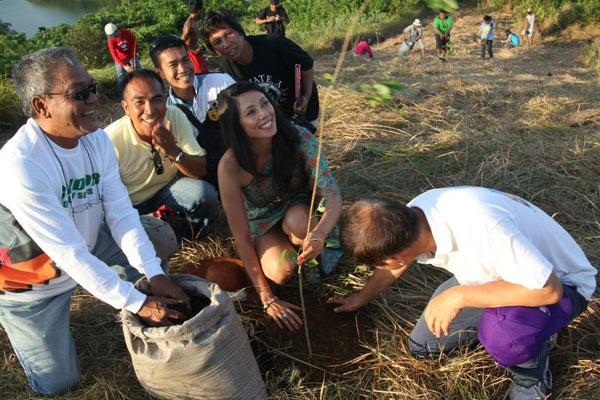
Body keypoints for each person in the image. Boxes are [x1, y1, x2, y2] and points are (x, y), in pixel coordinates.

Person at [0, 48, 190, 395]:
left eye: (93, 88)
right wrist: (139, 303)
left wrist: (154, 272)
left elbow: (119, 213)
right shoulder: (21, 165)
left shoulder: (96, 139)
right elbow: (69, 255)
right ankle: (25, 322)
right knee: (59, 384)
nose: (92, 100)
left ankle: (126, 286)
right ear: (42, 106)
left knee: (158, 237)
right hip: (34, 281)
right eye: (79, 93)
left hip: (87, 243)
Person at [329, 187, 596, 399]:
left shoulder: (484, 231)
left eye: (377, 264)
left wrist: (458, 296)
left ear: (396, 257)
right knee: (425, 347)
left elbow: (549, 291)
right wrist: (361, 297)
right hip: (497, 276)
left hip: (562, 285)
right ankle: (528, 330)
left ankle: (531, 377)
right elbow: (394, 266)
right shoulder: (414, 218)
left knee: (503, 333)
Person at [217, 81, 343, 330]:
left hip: (298, 209)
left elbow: (333, 198)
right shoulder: (230, 166)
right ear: (236, 125)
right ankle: (294, 259)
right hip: (262, 224)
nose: (264, 114)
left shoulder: (299, 137)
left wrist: (318, 234)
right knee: (282, 270)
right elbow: (241, 237)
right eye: (251, 112)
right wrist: (266, 296)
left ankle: (313, 260)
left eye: (265, 103)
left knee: (299, 223)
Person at [104, 69, 218, 240]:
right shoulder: (110, 140)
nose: (150, 110)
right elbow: (102, 204)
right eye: (139, 102)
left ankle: (187, 239)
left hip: (166, 192)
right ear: (126, 108)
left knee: (205, 194)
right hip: (130, 206)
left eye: (156, 100)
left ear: (165, 100)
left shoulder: (175, 116)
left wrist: (174, 152)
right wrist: (140, 218)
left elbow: (202, 169)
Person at [202, 8, 319, 132]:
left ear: (240, 33)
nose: (226, 44)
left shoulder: (275, 44)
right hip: (271, 118)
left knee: (307, 145)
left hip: (302, 109)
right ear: (216, 51)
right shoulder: (225, 71)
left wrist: (305, 96)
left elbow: (306, 65)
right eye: (217, 42)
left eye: (228, 34)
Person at [150, 33, 235, 188]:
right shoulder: (166, 112)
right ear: (159, 73)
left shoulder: (221, 83)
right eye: (173, 65)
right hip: (207, 179)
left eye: (185, 60)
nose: (182, 69)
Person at [104, 23, 142, 99]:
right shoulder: (111, 40)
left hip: (131, 56)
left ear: (117, 30)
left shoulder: (126, 32)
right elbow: (114, 55)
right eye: (111, 36)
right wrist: (124, 66)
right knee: (121, 78)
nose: (113, 37)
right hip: (120, 60)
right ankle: (122, 98)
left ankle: (142, 92)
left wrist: (132, 58)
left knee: (140, 73)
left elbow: (134, 44)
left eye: (114, 35)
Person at [182, 0, 209, 74]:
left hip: (197, 54)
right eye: (202, 10)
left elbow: (192, 40)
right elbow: (181, 42)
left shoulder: (194, 22)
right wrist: (194, 51)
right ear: (199, 10)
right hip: (192, 56)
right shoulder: (189, 25)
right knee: (199, 77)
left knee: (205, 75)